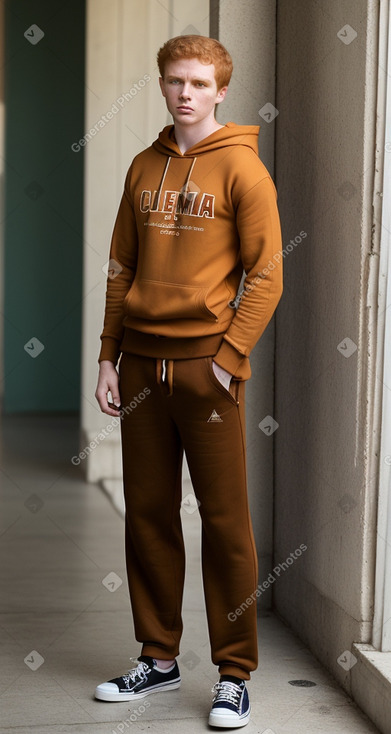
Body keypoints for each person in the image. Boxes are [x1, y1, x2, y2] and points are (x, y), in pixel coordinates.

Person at [94, 34, 283, 729]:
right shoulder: (143, 167)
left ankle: (234, 673)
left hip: (207, 370)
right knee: (146, 516)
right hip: (141, 366)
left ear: (220, 90)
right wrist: (108, 356)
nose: (184, 93)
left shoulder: (243, 171)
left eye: (198, 83)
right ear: (163, 84)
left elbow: (266, 275)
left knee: (226, 523)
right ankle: (159, 658)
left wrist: (228, 359)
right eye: (174, 81)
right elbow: (121, 267)